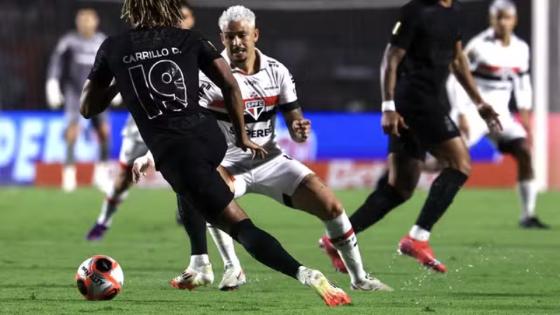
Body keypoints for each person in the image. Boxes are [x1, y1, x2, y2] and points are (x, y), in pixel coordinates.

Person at [80, 0, 350, 307]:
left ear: (132, 10)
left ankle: (305, 274)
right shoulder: (190, 38)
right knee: (193, 191)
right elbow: (230, 84)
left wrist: (120, 79)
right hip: (211, 139)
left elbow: (87, 108)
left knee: (240, 227)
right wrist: (243, 135)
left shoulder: (114, 47)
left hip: (179, 155)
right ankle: (201, 263)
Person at [134, 5, 391, 293]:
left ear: (255, 34)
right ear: (222, 38)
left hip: (269, 159)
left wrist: (299, 128)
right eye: (229, 37)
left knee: (331, 205)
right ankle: (233, 268)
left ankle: (359, 278)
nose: (236, 42)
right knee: (206, 196)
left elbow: (295, 117)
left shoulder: (277, 71)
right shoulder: (207, 77)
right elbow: (181, 128)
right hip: (226, 162)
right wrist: (150, 154)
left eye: (242, 35)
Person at [321, 0, 502, 274]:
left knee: (399, 187)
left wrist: (478, 102)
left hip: (428, 99)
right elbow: (390, 59)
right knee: (460, 164)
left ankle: (337, 240)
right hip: (414, 99)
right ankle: (418, 237)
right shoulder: (415, 10)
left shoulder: (454, 12)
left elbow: (457, 58)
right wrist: (388, 107)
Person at [85, 1, 196, 241]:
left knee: (191, 169)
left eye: (185, 16)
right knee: (124, 179)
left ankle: (190, 213)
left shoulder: (194, 47)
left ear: (191, 20)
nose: (181, 21)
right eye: (178, 16)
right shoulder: (147, 43)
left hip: (178, 124)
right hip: (141, 125)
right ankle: (104, 219)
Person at [446, 0, 549, 229]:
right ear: (491, 19)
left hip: (500, 115)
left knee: (523, 151)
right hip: (474, 111)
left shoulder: (521, 48)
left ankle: (528, 215)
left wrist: (525, 115)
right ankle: (404, 176)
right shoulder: (479, 46)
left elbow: (523, 83)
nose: (502, 22)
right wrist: (462, 111)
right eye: (498, 17)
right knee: (449, 160)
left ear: (514, 20)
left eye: (507, 17)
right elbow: (455, 77)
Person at [46, 8, 112, 192]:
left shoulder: (102, 41)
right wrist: (52, 83)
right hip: (74, 92)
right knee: (72, 131)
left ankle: (101, 173)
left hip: (97, 92)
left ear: (96, 21)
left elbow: (113, 64)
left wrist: (116, 85)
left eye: (88, 19)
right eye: (81, 19)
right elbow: (55, 62)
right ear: (77, 22)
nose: (85, 23)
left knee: (105, 132)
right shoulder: (69, 40)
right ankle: (69, 175)